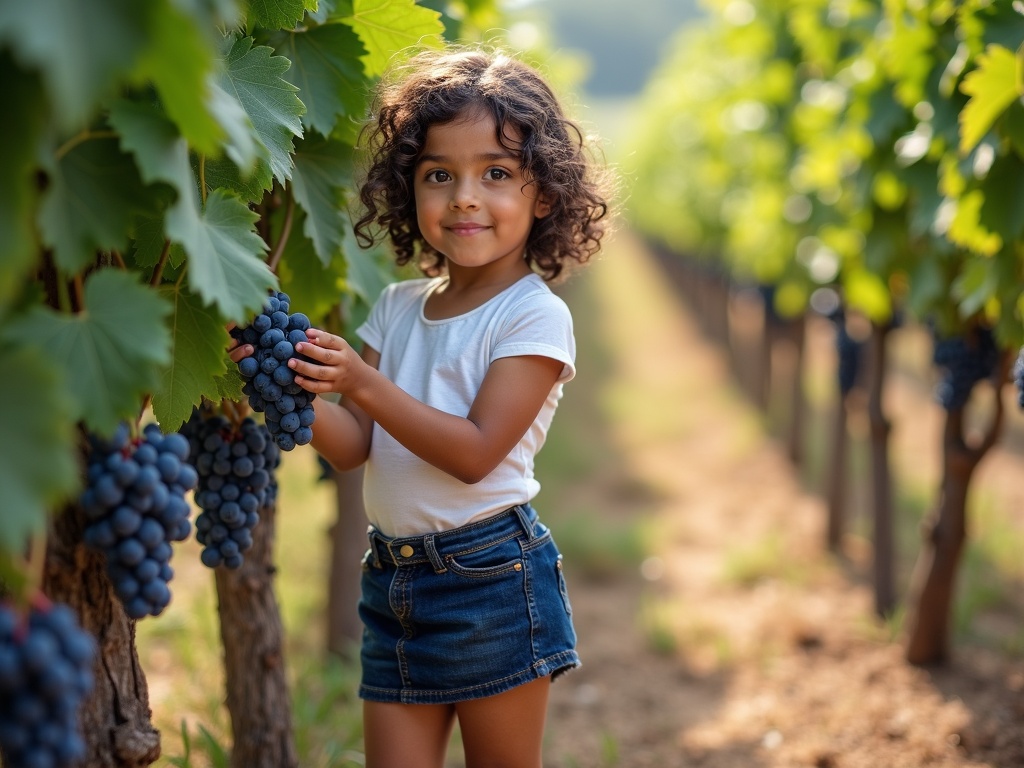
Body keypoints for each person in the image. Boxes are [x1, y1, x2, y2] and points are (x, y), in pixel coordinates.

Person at [232, 44, 610, 767]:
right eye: (440, 175)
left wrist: (364, 382)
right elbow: (353, 446)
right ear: (410, 191)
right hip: (394, 583)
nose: (465, 196)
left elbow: (473, 454)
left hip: (491, 583)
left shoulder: (532, 318)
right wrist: (282, 381)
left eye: (496, 174)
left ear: (546, 196)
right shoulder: (397, 305)